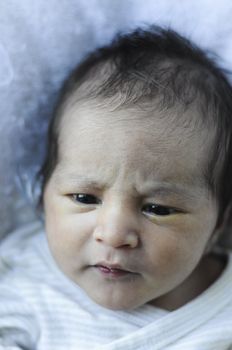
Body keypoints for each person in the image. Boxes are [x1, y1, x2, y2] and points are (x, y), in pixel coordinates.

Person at [1, 25, 232, 350]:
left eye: (158, 209)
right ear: (42, 197)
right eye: (84, 198)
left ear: (219, 224)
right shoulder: (28, 280)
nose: (112, 234)